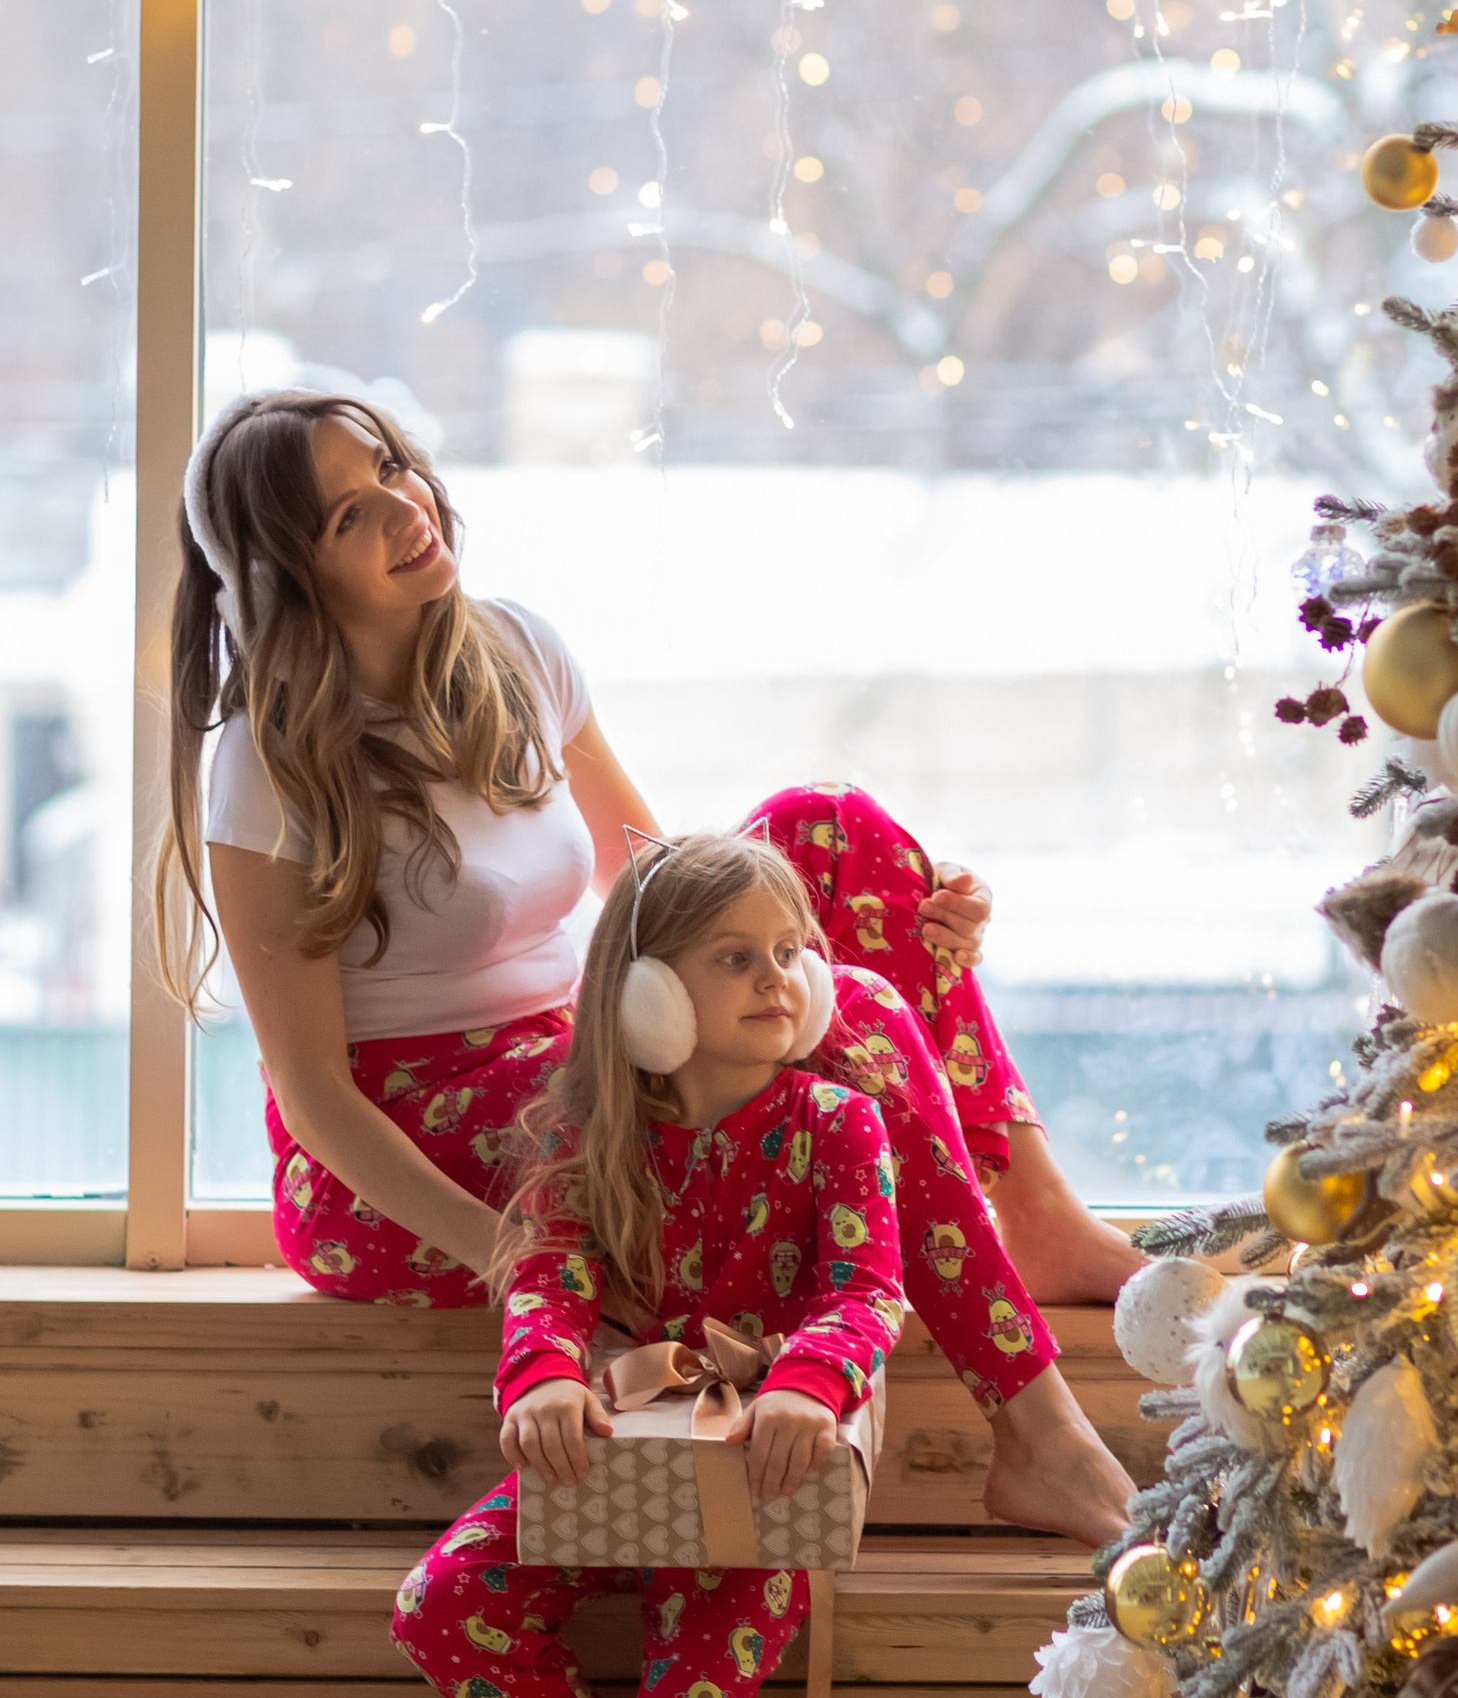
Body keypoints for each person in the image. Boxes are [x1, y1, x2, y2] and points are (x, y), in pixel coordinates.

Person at [153, 386, 1134, 1544]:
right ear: (286, 573)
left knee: (832, 828)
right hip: (408, 1138)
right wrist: (519, 1257)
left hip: (567, 1051)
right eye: (347, 518)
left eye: (391, 471)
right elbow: (316, 1098)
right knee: (849, 1007)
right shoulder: (269, 770)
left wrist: (855, 937)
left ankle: (1038, 1219)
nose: (404, 511)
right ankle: (1039, 1435)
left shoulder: (513, 647)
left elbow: (656, 891)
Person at [395, 831, 900, 1698]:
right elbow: (545, 1277)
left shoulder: (839, 1124)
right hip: (611, 1460)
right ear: (645, 990)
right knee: (444, 1602)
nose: (775, 979)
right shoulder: (578, 1132)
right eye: (734, 957)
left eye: (791, 952)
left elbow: (866, 1289)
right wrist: (544, 1377)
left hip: (764, 1488)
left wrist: (806, 1379)